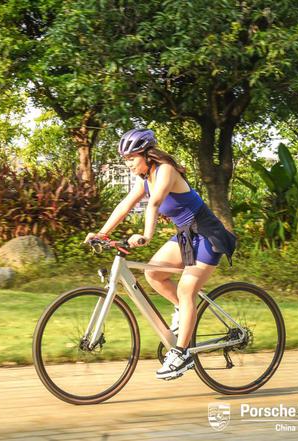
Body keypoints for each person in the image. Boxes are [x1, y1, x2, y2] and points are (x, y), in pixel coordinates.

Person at [84, 128, 236, 380]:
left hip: (208, 235)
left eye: (131, 158)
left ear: (146, 154)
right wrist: (101, 234)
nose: (129, 164)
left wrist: (146, 236)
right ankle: (183, 311)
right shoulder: (145, 177)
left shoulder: (165, 169)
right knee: (154, 273)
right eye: (126, 160)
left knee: (187, 289)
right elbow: (125, 205)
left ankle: (182, 353)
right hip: (186, 235)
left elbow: (154, 203)